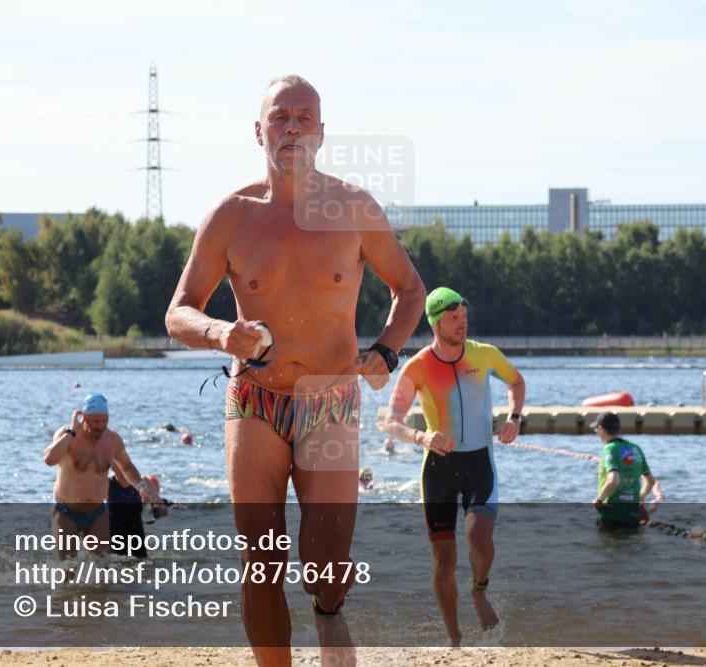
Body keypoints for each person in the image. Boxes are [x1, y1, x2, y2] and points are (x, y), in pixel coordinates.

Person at [164, 75, 425, 667]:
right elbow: (178, 311)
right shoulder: (230, 216)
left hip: (330, 402)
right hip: (255, 398)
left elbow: (410, 290)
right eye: (280, 118)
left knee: (326, 563)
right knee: (261, 560)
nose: (292, 128)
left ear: (322, 133)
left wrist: (385, 350)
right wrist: (220, 333)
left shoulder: (354, 208)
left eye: (305, 118)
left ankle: (330, 613)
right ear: (259, 131)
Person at [380, 287, 525, 647]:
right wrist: (421, 437)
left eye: (464, 317)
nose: (462, 324)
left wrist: (514, 419)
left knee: (479, 535)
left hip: (479, 464)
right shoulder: (417, 367)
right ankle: (455, 638)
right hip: (438, 469)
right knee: (444, 560)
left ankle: (479, 590)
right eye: (453, 319)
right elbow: (390, 421)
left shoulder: (484, 354)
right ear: (435, 322)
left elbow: (516, 382)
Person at [43, 394, 155, 560]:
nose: (100, 426)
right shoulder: (67, 435)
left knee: (102, 572)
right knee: (68, 569)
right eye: (95, 421)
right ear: (84, 418)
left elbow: (127, 467)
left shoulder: (112, 440)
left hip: (97, 513)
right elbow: (49, 459)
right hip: (66, 511)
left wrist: (140, 485)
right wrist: (71, 431)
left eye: (104, 421)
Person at [591, 412, 664, 529]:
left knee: (608, 545)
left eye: (596, 430)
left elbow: (613, 480)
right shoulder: (635, 448)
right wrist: (640, 497)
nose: (597, 434)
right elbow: (650, 481)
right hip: (633, 512)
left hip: (612, 512)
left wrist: (599, 500)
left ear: (602, 429)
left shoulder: (609, 449)